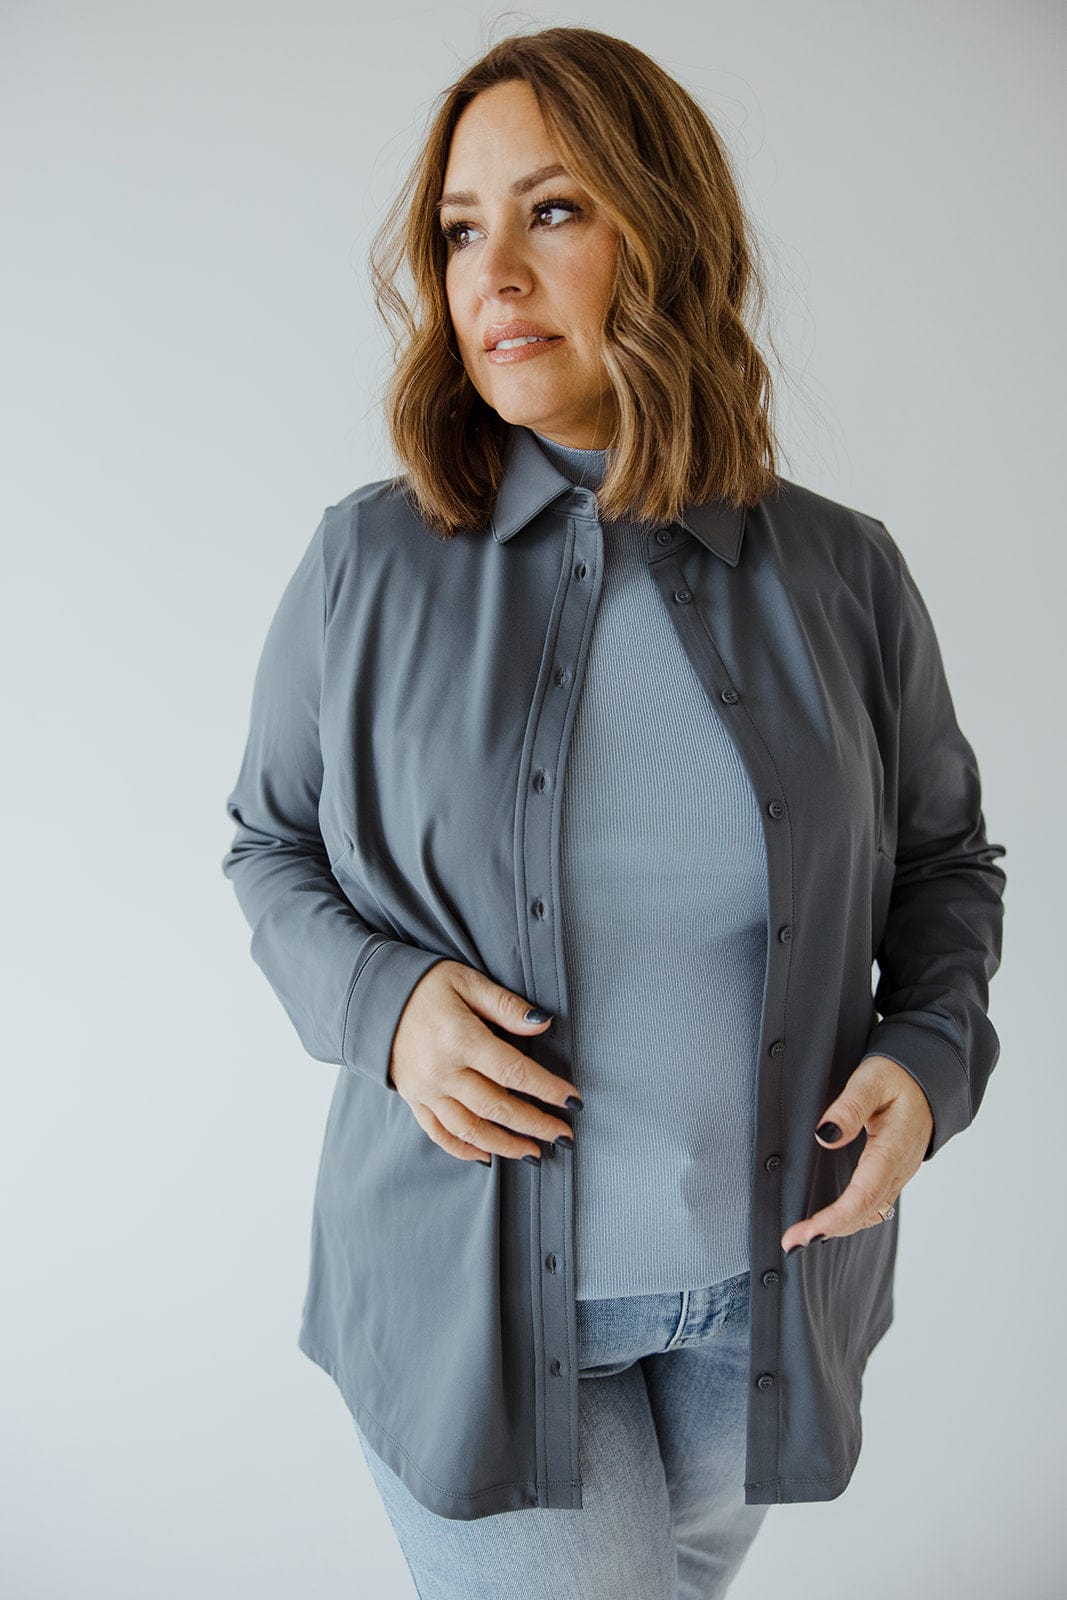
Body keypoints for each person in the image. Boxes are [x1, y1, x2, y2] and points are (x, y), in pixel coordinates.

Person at [220, 24, 1007, 1600]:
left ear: (668, 235)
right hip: (472, 1314)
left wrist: (930, 1060)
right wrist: (388, 1009)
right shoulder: (367, 565)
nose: (493, 273)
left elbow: (944, 864)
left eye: (555, 211)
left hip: (763, 1306)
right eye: (460, 230)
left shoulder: (843, 571)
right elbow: (269, 849)